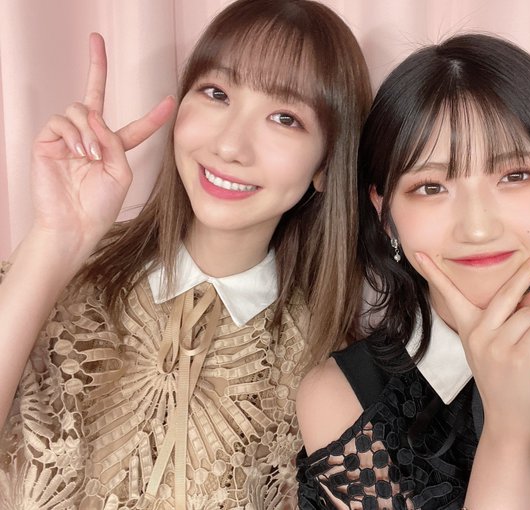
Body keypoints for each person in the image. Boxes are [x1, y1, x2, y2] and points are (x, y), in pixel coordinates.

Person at [0, 0, 371, 508]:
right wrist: (55, 238)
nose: (230, 145)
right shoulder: (56, 274)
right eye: (217, 93)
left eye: (284, 118)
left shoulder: (327, 370)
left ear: (327, 162)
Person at [295, 33, 530, 509]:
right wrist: (510, 432)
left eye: (515, 176)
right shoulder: (344, 400)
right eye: (431, 187)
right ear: (384, 211)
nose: (478, 228)